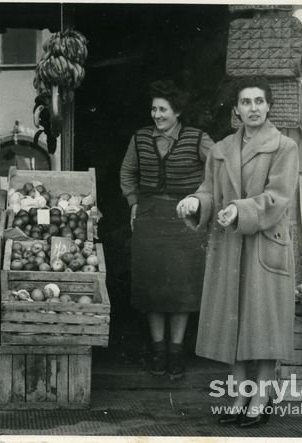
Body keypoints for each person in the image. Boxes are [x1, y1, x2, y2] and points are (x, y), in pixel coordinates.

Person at [177, 76, 299, 428]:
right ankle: (239, 393)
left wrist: (240, 211)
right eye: (246, 102)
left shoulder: (284, 148)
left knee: (262, 323)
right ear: (235, 110)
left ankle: (261, 397)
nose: (253, 108)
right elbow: (209, 191)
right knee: (235, 320)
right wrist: (194, 201)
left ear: (269, 106)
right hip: (230, 245)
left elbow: (279, 197)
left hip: (264, 244)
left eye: (259, 101)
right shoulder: (221, 150)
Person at [120, 80, 215, 380]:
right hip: (149, 218)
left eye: (163, 109)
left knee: (181, 289)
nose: (157, 115)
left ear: (177, 112)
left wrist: (200, 199)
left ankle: (176, 352)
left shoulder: (198, 138)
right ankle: (157, 350)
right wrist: (133, 201)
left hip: (184, 221)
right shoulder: (139, 139)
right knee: (153, 289)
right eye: (153, 109)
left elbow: (219, 168)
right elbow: (127, 172)